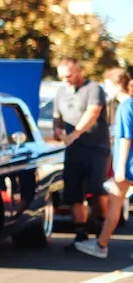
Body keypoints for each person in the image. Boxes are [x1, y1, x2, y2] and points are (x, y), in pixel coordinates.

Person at [54, 58, 111, 243]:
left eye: (68, 76)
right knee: (73, 192)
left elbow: (93, 112)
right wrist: (59, 132)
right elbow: (58, 119)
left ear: (78, 71)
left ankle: (100, 229)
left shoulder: (93, 89)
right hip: (73, 151)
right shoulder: (61, 92)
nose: (65, 80)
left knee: (97, 190)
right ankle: (80, 234)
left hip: (96, 148)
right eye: (62, 77)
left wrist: (75, 133)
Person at [77, 75, 133, 259]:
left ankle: (101, 245)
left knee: (114, 207)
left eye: (108, 85)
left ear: (118, 84)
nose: (105, 89)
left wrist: (119, 169)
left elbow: (125, 138)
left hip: (129, 166)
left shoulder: (125, 106)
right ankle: (101, 243)